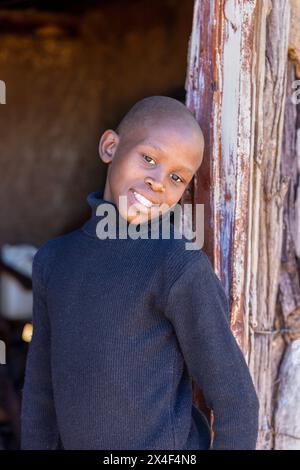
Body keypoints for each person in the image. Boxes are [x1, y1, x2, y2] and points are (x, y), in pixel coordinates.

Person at [21, 96, 259, 450]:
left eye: (177, 177)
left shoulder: (178, 264)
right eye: (149, 158)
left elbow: (236, 401)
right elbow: (40, 392)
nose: (158, 182)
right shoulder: (54, 261)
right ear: (110, 147)